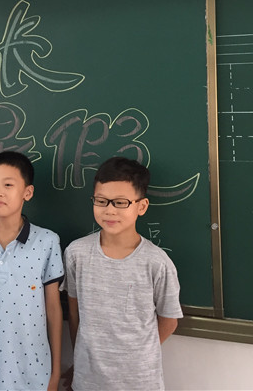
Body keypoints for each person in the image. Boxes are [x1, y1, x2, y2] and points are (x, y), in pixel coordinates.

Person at [62, 156, 183, 391]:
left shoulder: (157, 262)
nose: (109, 210)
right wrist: (80, 359)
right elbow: (75, 312)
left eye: (120, 202)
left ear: (142, 206)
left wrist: (138, 355)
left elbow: (169, 321)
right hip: (88, 381)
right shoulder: (77, 253)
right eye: (101, 201)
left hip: (139, 382)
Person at [0, 151, 64, 391]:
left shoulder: (47, 241)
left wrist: (56, 371)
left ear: (27, 192)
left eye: (8, 185)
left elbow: (53, 308)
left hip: (35, 370)